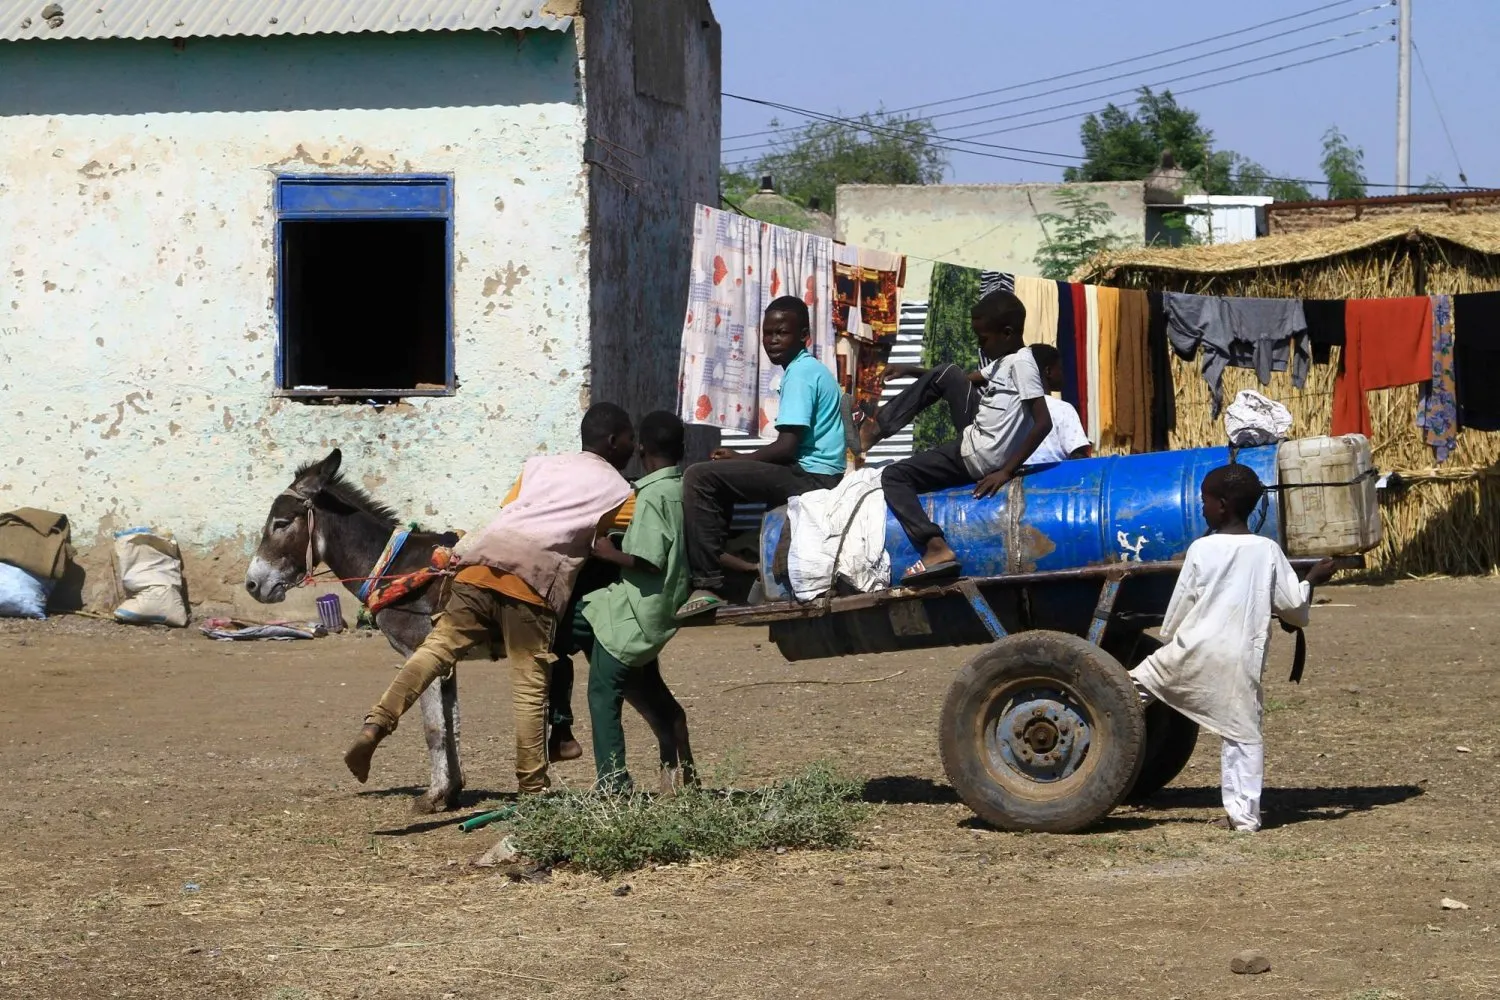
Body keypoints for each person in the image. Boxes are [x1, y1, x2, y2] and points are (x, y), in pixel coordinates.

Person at [343, 403, 638, 795]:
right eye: (631, 438)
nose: (635, 446)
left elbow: (513, 511)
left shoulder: (540, 465)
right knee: (530, 681)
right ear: (615, 441)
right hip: (531, 583)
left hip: (477, 565)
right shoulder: (619, 490)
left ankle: (375, 724)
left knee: (433, 651)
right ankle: (532, 789)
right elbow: (636, 531)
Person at [1129, 464, 1336, 832]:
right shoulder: (1267, 551)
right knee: (1243, 733)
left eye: (1205, 500)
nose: (1202, 507)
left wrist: (1173, 635)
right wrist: (1311, 580)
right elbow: (1294, 610)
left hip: (1191, 650)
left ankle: (1086, 752)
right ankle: (1244, 818)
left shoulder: (1200, 549)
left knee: (1128, 693)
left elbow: (1178, 612)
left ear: (1222, 505)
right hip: (1240, 656)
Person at [676, 295, 847, 618]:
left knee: (699, 477)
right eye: (767, 333)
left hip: (812, 477)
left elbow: (786, 447)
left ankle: (708, 584)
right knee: (723, 476)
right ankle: (744, 573)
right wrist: (739, 459)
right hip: (812, 471)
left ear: (803, 335)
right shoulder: (807, 370)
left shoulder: (800, 373)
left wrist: (742, 458)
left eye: (781, 333)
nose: (772, 340)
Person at [872, 289, 1052, 583]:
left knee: (893, 476)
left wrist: (1006, 471)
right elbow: (955, 381)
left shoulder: (1022, 364)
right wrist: (910, 371)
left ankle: (934, 547)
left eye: (983, 339)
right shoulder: (1005, 361)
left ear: (1007, 333)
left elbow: (1043, 423)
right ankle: (876, 429)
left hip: (979, 453)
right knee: (949, 373)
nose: (980, 346)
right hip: (978, 438)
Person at [561, 411, 695, 792]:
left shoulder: (651, 497)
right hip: (660, 606)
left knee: (602, 690)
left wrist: (609, 552)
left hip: (638, 607)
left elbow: (650, 562)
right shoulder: (682, 488)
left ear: (639, 449)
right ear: (681, 449)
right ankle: (682, 778)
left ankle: (612, 783)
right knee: (644, 686)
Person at [1026, 344, 1093, 464]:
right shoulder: (1063, 409)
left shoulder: (1015, 407)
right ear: (1048, 372)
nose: (1063, 374)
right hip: (1056, 480)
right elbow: (1079, 456)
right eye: (1060, 369)